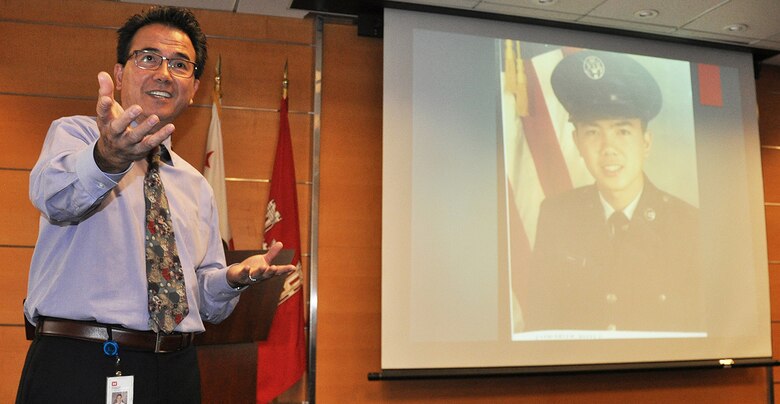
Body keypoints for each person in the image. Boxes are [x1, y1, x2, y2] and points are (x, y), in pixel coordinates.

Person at [16, 6, 295, 403]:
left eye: (180, 64)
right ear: (119, 73)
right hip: (81, 363)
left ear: (194, 87)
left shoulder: (196, 185)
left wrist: (232, 279)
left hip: (175, 370)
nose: (164, 73)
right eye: (148, 58)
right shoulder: (77, 135)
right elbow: (54, 198)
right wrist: (107, 159)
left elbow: (202, 303)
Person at [523, 50, 702, 333]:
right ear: (577, 142)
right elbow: (540, 317)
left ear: (646, 142)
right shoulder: (557, 215)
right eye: (593, 133)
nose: (608, 148)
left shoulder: (689, 224)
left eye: (622, 132)